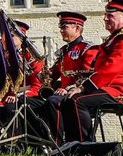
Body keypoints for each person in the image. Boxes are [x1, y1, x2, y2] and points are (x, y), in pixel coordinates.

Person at [59, 0, 123, 143]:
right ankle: (71, 143)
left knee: (77, 101)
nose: (105, 18)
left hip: (121, 91)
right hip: (110, 88)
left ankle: (84, 145)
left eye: (110, 16)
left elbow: (110, 69)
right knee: (69, 100)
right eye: (105, 15)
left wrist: (84, 88)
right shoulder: (114, 38)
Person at [34, 11, 92, 141]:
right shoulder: (64, 51)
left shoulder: (87, 48)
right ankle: (38, 143)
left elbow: (87, 74)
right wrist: (43, 75)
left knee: (53, 102)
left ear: (77, 28)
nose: (61, 30)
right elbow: (54, 73)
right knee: (32, 102)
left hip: (78, 92)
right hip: (63, 92)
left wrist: (68, 88)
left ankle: (57, 144)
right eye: (60, 27)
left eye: (64, 27)